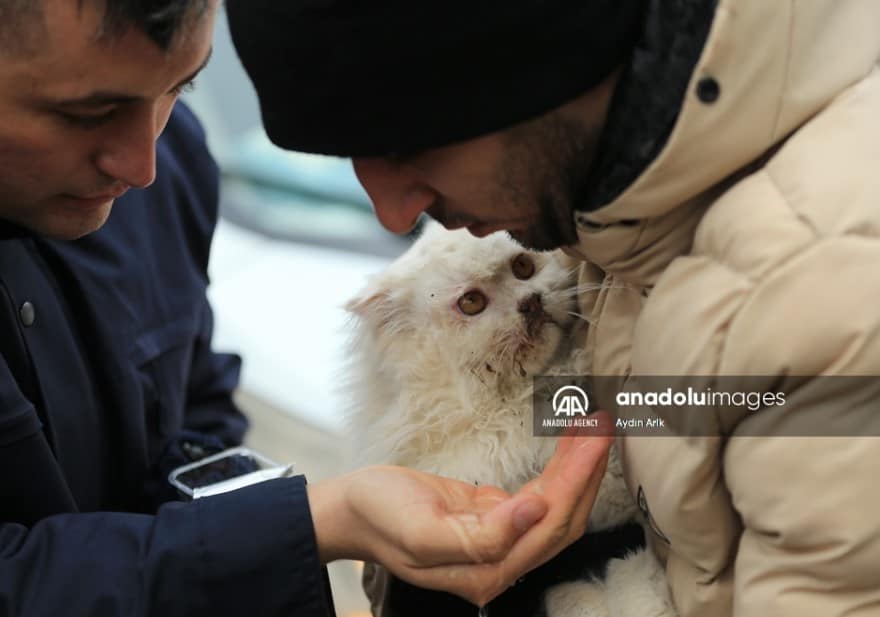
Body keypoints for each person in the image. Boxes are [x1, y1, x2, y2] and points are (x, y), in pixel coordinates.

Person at [227, 0, 880, 615]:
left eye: (405, 147)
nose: (391, 214)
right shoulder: (607, 203)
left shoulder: (852, 292)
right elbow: (654, 410)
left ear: (526, 70)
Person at [0, 0, 617, 615]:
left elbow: (192, 415)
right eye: (87, 113)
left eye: (179, 88)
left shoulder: (175, 163)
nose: (142, 165)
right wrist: (319, 523)